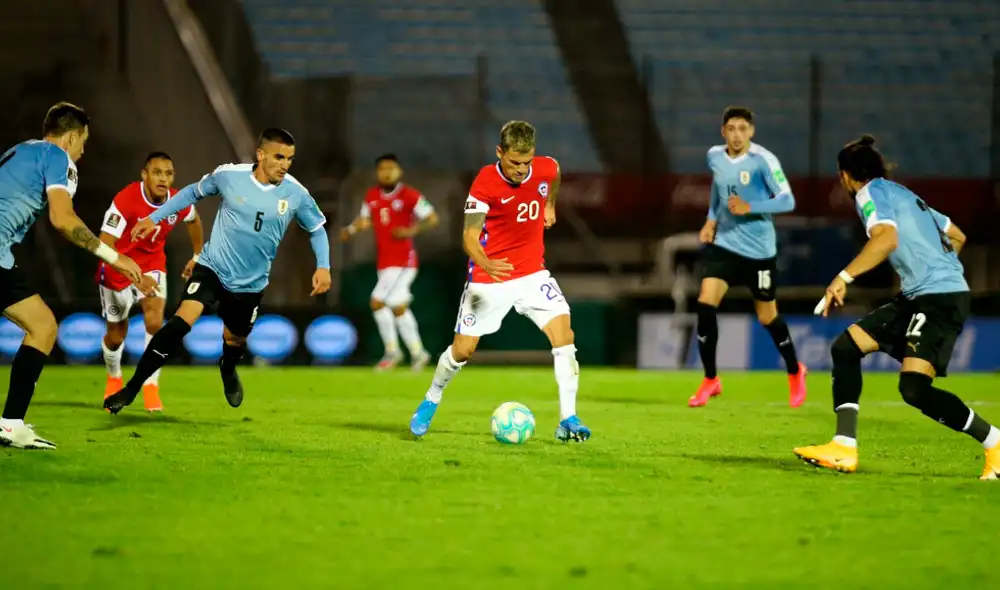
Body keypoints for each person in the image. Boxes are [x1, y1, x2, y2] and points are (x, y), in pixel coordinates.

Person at [794, 135, 1000, 480]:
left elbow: (886, 239)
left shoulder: (869, 194)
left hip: (937, 299)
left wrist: (843, 276)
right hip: (923, 295)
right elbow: (958, 235)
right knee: (847, 347)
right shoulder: (906, 195)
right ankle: (843, 447)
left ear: (845, 176)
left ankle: (995, 442)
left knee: (915, 390)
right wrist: (935, 267)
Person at [104, 128, 332, 414]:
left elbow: (316, 228)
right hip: (212, 268)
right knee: (179, 324)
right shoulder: (229, 176)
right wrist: (154, 217)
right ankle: (132, 388)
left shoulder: (296, 193)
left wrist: (323, 266)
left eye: (289, 158)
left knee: (234, 339)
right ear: (260, 155)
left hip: (250, 284)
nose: (285, 164)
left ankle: (227, 368)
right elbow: (192, 192)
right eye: (278, 157)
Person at [408, 120, 591, 442]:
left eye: (526, 162)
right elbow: (469, 237)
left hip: (533, 274)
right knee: (462, 351)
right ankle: (431, 398)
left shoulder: (545, 168)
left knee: (565, 337)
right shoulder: (485, 182)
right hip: (489, 276)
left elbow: (554, 171)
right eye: (514, 163)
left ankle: (568, 419)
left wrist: (549, 204)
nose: (522, 170)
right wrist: (485, 262)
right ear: (499, 152)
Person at [0, 102, 144, 449]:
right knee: (43, 327)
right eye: (83, 143)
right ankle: (10, 424)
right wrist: (115, 257)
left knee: (43, 325)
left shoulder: (19, 150)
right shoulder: (57, 158)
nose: (82, 152)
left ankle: (10, 425)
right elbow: (63, 219)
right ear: (71, 137)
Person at [691, 105, 807, 408]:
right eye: (731, 128)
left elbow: (787, 200)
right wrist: (711, 219)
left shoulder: (763, 161)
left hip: (759, 251)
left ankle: (795, 371)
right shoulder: (714, 156)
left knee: (767, 316)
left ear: (751, 131)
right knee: (705, 303)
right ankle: (710, 379)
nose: (737, 134)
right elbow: (718, 191)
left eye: (743, 129)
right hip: (726, 244)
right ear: (723, 131)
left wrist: (750, 207)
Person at [96, 151, 204, 411]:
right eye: (157, 172)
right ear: (144, 175)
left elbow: (193, 220)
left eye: (168, 173)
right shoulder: (126, 199)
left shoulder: (178, 200)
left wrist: (197, 255)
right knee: (116, 335)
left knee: (155, 321)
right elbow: (104, 243)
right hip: (116, 266)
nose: (163, 179)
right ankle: (114, 376)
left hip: (153, 265)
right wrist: (133, 274)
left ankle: (150, 385)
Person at [340, 153, 437, 371]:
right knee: (398, 307)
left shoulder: (409, 195)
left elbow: (432, 218)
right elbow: (364, 220)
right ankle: (418, 352)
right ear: (377, 172)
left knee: (377, 302)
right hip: (384, 262)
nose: (387, 172)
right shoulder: (372, 195)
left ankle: (392, 352)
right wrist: (350, 230)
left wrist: (411, 230)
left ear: (399, 171)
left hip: (404, 261)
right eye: (383, 168)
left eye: (391, 168)